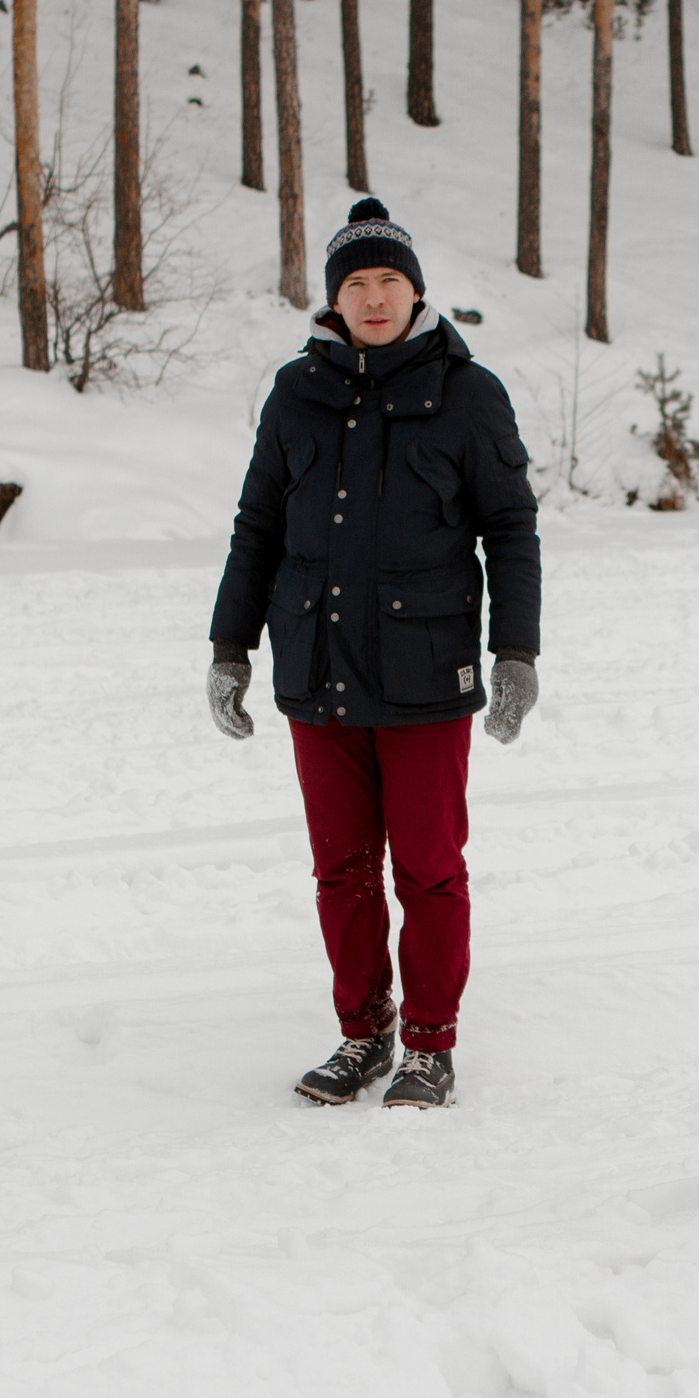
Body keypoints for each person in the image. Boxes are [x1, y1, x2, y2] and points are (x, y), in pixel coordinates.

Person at [207, 198, 541, 1111]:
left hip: (427, 672)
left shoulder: (468, 392)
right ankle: (363, 1033)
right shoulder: (294, 392)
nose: (375, 296)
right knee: (339, 868)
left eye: (390, 279)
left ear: (416, 290)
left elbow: (510, 527)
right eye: (357, 283)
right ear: (335, 300)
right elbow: (258, 526)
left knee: (428, 868)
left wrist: (516, 652)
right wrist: (229, 644)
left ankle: (430, 1045)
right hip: (315, 666)